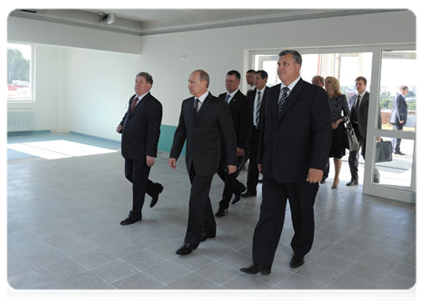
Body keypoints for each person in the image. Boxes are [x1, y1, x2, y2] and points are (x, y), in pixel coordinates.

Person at [240, 50, 331, 275]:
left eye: (285, 64)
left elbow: (322, 133)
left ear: (298, 67)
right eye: (279, 64)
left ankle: (299, 250)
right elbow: (264, 130)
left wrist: (318, 165)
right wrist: (260, 158)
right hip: (272, 168)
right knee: (268, 215)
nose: (280, 67)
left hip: (303, 171)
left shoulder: (313, 94)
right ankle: (261, 261)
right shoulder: (270, 93)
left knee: (301, 215)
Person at [169, 70, 237, 255]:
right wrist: (174, 153)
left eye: (193, 82)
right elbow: (181, 131)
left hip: (209, 160)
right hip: (191, 159)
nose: (189, 85)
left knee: (195, 198)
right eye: (188, 82)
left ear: (204, 83)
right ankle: (210, 227)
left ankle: (191, 240)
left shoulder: (218, 105)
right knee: (201, 196)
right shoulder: (186, 104)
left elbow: (229, 135)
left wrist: (232, 161)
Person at [117, 72, 163, 226]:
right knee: (129, 175)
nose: (137, 84)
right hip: (129, 147)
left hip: (142, 151)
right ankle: (154, 189)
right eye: (136, 81)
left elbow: (154, 131)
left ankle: (135, 213)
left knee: (138, 183)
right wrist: (122, 123)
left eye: (141, 82)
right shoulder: (133, 98)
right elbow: (128, 114)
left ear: (149, 86)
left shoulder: (154, 105)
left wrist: (150, 153)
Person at [215, 70, 251, 217]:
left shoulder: (244, 101)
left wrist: (241, 146)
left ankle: (224, 205)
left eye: (231, 81)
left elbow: (246, 126)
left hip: (236, 145)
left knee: (230, 175)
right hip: (221, 143)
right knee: (218, 169)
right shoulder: (221, 98)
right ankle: (238, 187)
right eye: (226, 81)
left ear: (238, 82)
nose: (228, 84)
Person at [347, 76, 381, 186]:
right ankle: (354, 179)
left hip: (367, 132)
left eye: (360, 84)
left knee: (367, 156)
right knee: (352, 157)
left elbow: (377, 116)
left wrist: (378, 132)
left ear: (365, 85)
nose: (357, 86)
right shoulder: (353, 98)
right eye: (356, 84)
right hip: (354, 132)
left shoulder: (370, 98)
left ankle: (375, 176)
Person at [241, 70, 269, 198]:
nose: (255, 80)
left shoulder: (271, 93)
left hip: (265, 132)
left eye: (258, 78)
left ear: (265, 79)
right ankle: (251, 189)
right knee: (252, 161)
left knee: (266, 160)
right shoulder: (251, 94)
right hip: (252, 132)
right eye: (254, 78)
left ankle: (269, 189)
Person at [324, 76, 350, 189]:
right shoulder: (322, 96)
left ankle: (336, 177)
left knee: (337, 155)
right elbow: (318, 113)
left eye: (328, 82)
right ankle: (320, 176)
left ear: (334, 84)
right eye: (325, 82)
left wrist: (338, 121)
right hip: (324, 128)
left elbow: (348, 115)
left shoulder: (341, 97)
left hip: (338, 129)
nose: (326, 84)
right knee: (323, 154)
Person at [312, 75, 328, 183]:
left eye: (317, 82)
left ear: (322, 84)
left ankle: (324, 173)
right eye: (313, 82)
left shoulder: (326, 96)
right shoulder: (310, 95)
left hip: (328, 128)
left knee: (325, 153)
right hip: (312, 130)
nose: (315, 84)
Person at [390, 85, 408, 155]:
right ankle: (396, 150)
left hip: (397, 119)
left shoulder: (401, 97)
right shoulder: (399, 97)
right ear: (402, 90)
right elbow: (398, 108)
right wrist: (401, 118)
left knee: (396, 135)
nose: (407, 91)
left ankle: (394, 149)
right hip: (398, 120)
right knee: (398, 135)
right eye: (406, 90)